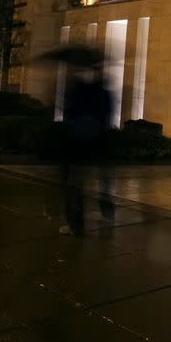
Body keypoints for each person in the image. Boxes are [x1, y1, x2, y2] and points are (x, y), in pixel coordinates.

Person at [59, 64, 114, 236]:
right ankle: (106, 212)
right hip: (98, 143)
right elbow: (107, 117)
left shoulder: (80, 91)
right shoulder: (104, 93)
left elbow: (70, 116)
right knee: (100, 182)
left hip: (80, 144)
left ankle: (76, 224)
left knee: (75, 185)